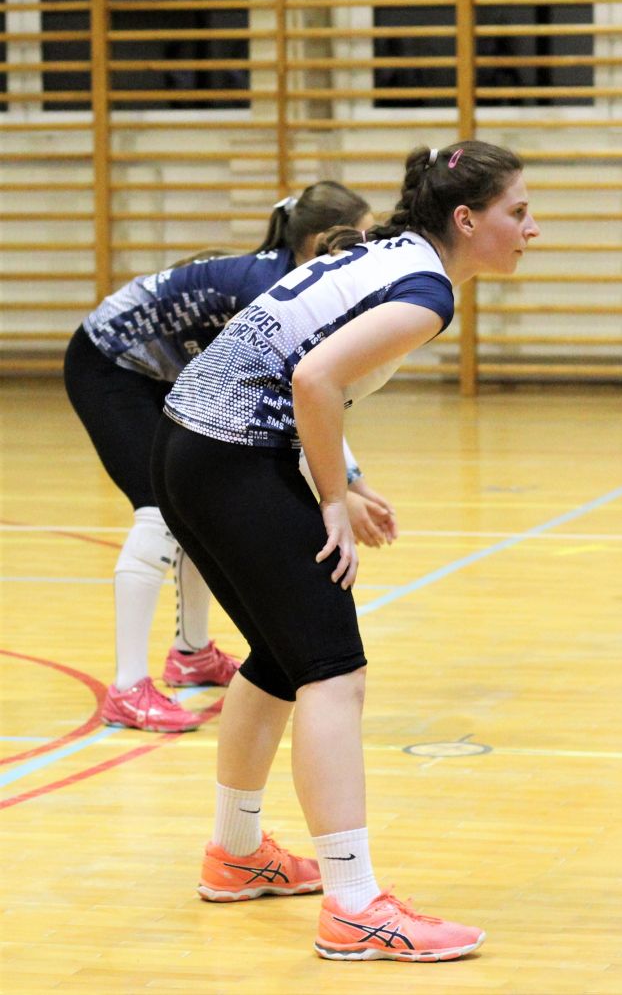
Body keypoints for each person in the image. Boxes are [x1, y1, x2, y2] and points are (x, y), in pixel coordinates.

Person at [152, 140, 539, 961]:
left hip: (191, 447)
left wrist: (344, 482)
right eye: (518, 211)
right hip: (231, 455)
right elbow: (314, 381)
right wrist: (332, 497)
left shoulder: (392, 255)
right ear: (467, 220)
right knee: (333, 671)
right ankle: (355, 906)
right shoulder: (427, 291)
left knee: (282, 657)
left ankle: (236, 853)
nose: (532, 229)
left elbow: (298, 369)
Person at [64, 181, 389, 733]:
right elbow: (304, 399)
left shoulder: (294, 283)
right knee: (158, 511)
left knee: (198, 506)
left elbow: (304, 401)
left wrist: (353, 485)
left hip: (168, 373)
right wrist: (342, 491)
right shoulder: (271, 290)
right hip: (110, 364)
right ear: (319, 243)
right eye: (357, 239)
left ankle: (191, 653)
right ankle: (126, 688)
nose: (365, 253)